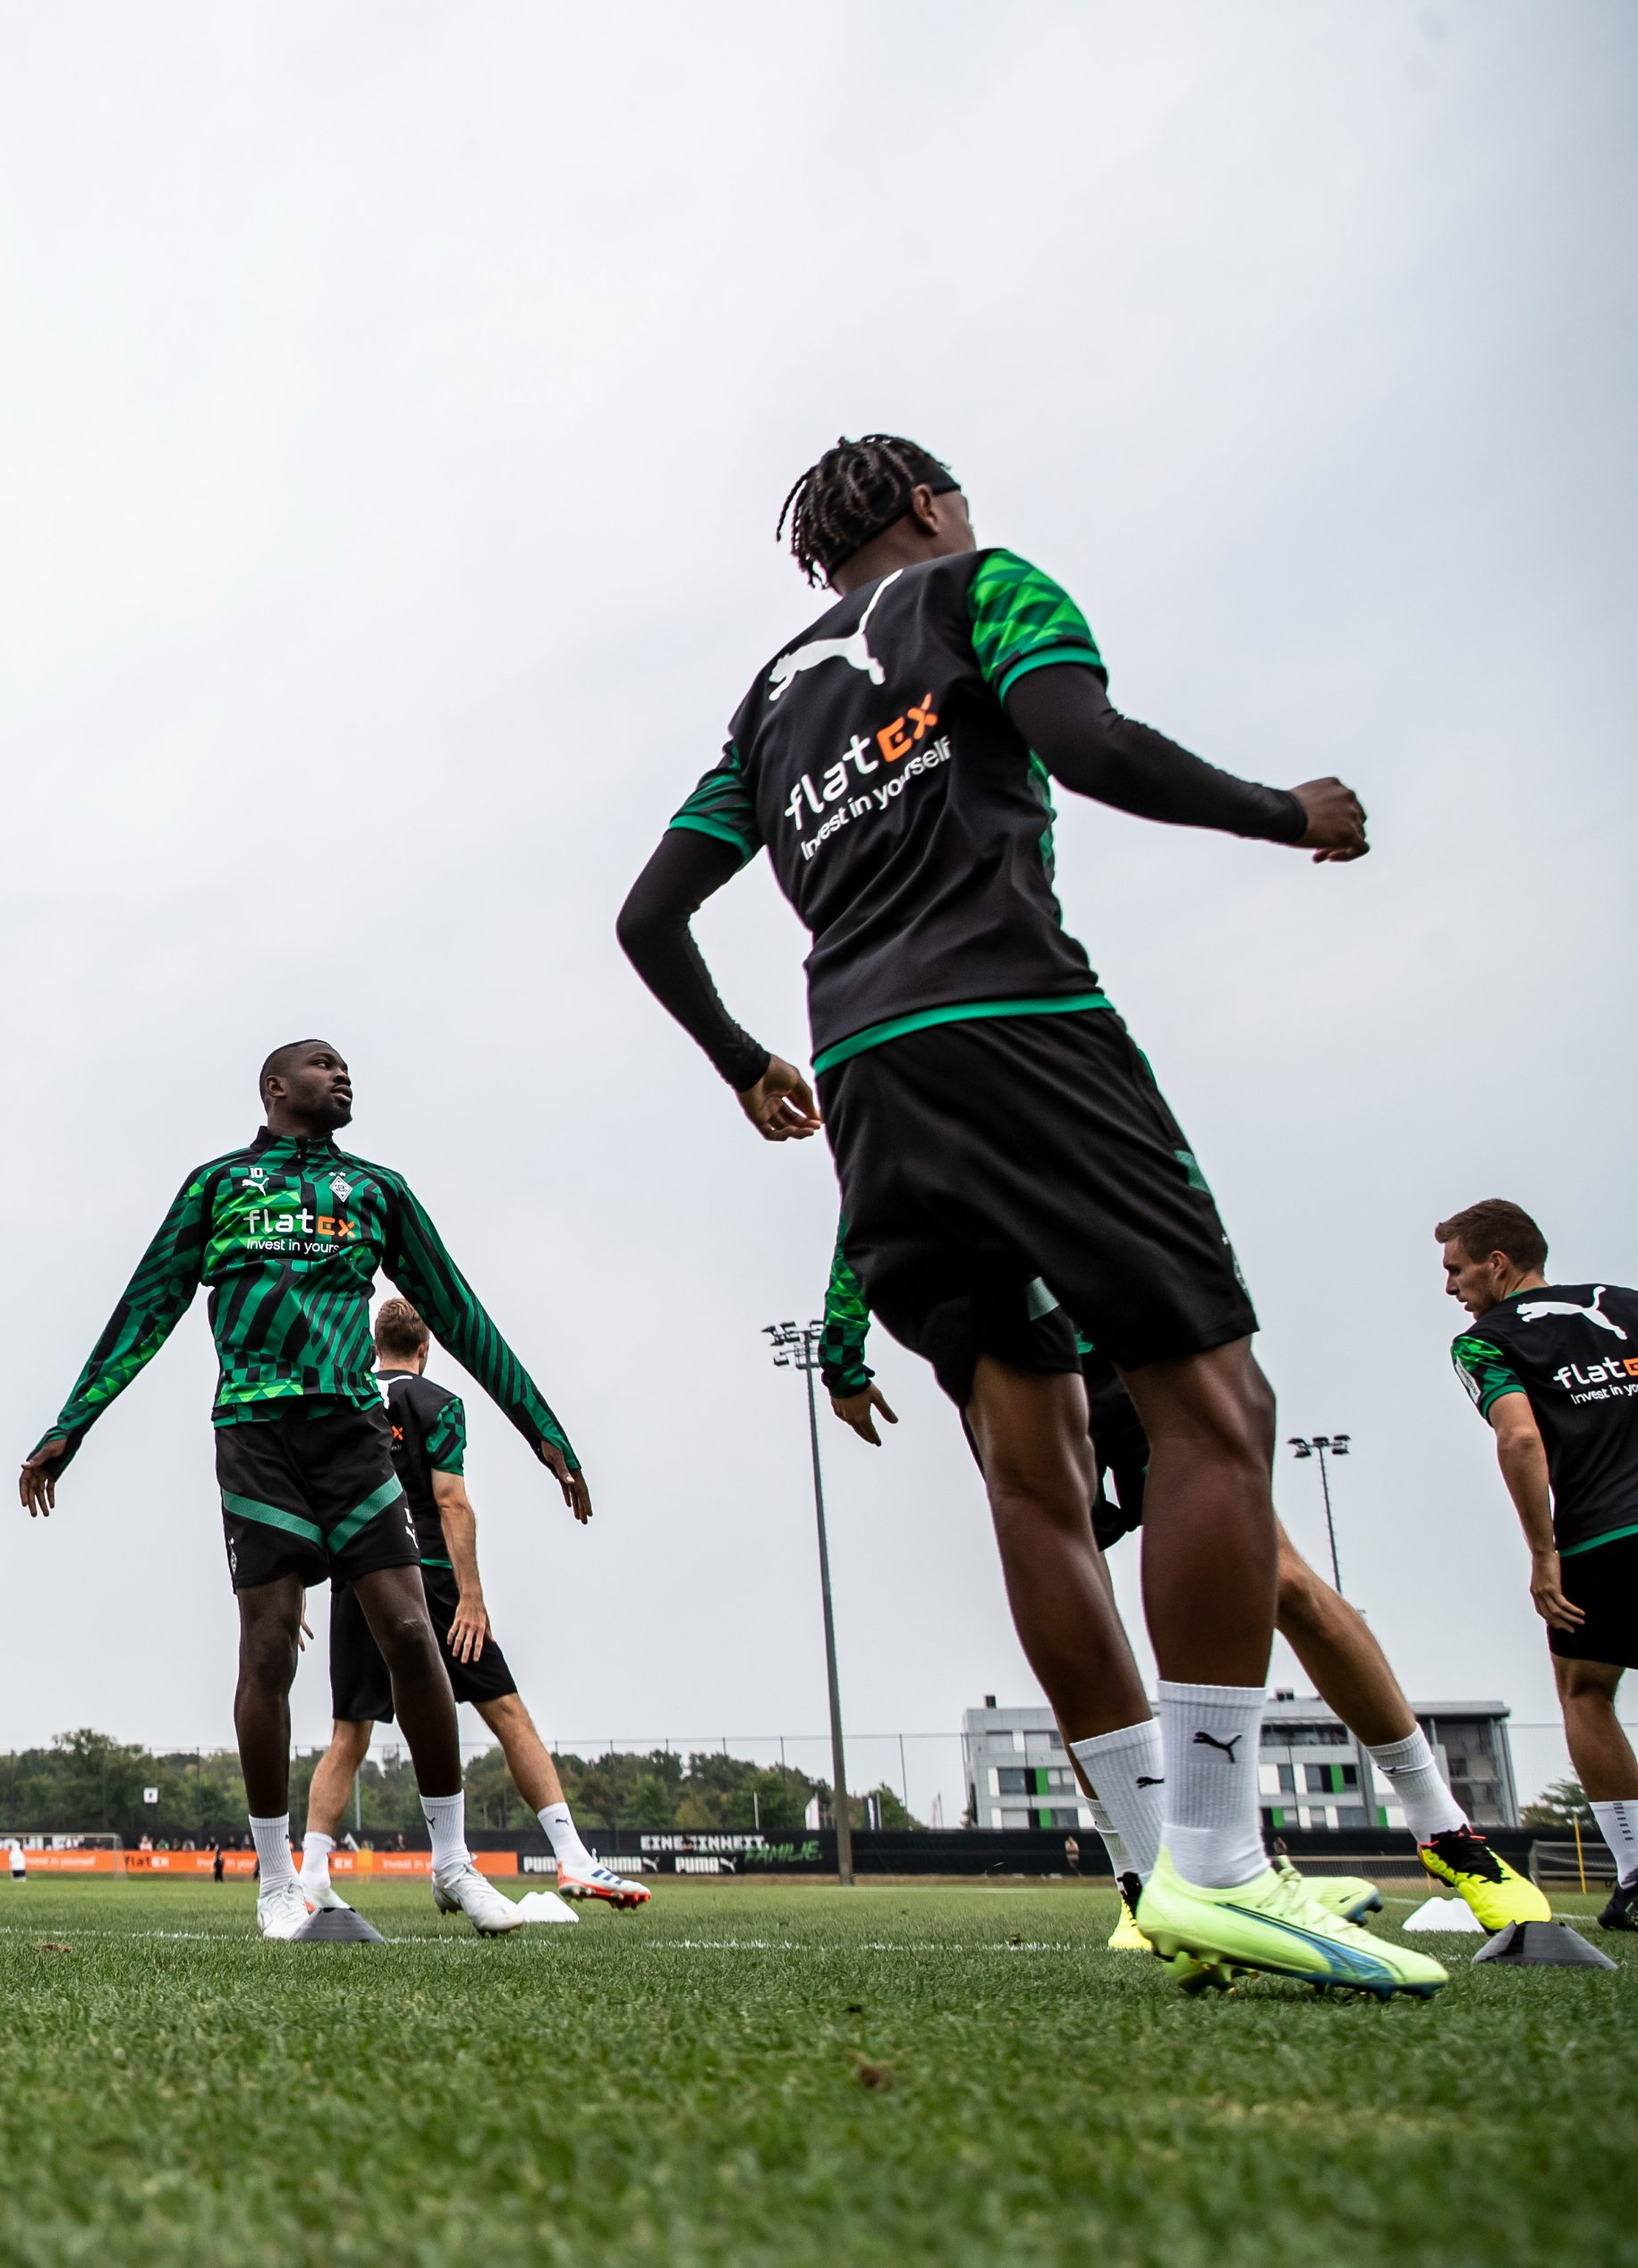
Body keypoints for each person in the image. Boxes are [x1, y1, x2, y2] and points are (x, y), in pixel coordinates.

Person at [615, 432, 1439, 1993]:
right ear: (930, 506)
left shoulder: (771, 701)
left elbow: (648, 914)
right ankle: (1222, 1862)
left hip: (868, 1079)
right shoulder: (981, 588)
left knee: (1029, 1466)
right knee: (1215, 1410)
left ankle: (1153, 1867)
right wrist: (1289, 811)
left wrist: (742, 1063)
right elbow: (1087, 740)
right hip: (1015, 1025)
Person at [21, 1042, 586, 1940]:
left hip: (353, 1435)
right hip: (255, 1434)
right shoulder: (218, 1185)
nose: (343, 1074)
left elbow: (458, 1311)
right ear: (276, 1087)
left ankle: (451, 1862)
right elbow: (147, 1304)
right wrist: (71, 1422)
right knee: (268, 1646)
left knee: (412, 1632)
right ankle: (278, 1879)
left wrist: (541, 1428)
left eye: (347, 1065)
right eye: (324, 1064)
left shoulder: (377, 1190)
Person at [822, 1245, 1546, 1941]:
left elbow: (1166, 1180)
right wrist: (842, 1355)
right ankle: (1141, 1878)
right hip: (1013, 1349)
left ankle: (1445, 1830)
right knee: (1082, 1607)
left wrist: (1213, 1308)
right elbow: (876, 1200)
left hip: (1140, 1336)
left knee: (1280, 1575)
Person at [301, 1300, 648, 1913]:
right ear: (425, 1348)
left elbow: (313, 1502)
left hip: (356, 1579)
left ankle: (311, 1874)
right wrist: (472, 1596)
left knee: (348, 1734)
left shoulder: (346, 1402)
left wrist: (301, 1584)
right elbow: (451, 1502)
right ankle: (571, 1857)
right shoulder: (438, 1404)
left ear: (373, 1347)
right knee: (507, 1712)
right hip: (429, 1580)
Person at [1435, 1198, 1638, 1933]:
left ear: (1498, 1264)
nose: (1450, 1287)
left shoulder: (1483, 1341)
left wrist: (1543, 1553)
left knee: (1585, 1689)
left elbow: (1520, 1439)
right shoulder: (1628, 1304)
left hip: (1602, 1537)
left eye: (1456, 1269)